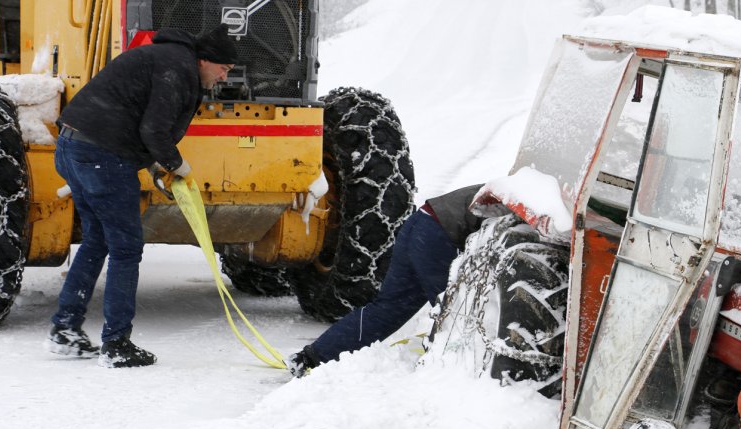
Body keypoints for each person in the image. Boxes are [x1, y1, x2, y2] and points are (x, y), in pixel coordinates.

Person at [44, 26, 239, 368]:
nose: (224, 76)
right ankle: (116, 343)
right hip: (102, 155)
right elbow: (153, 129)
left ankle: (64, 329)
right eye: (223, 67)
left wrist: (150, 163)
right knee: (126, 247)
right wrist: (176, 165)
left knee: (97, 240)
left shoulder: (165, 58)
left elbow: (134, 115)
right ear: (204, 59)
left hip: (73, 146)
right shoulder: (177, 67)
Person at [286, 184, 510, 377]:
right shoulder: (526, 198)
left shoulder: (510, 188)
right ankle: (450, 372)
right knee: (454, 315)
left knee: (388, 308)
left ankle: (311, 357)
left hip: (420, 222)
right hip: (437, 235)